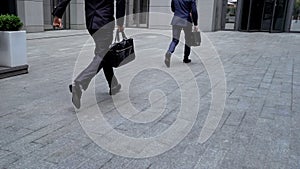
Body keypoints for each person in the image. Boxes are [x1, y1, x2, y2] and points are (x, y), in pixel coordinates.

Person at [52, 0, 126, 109]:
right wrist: (120, 23)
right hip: (105, 22)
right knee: (102, 55)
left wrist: (58, 14)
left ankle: (113, 84)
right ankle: (79, 84)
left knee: (103, 54)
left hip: (91, 23)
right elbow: (121, 1)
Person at [165, 0, 198, 67]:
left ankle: (169, 52)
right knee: (188, 40)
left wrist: (179, 12)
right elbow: (194, 11)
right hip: (187, 21)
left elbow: (173, 9)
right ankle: (186, 58)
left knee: (175, 40)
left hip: (176, 20)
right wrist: (195, 24)